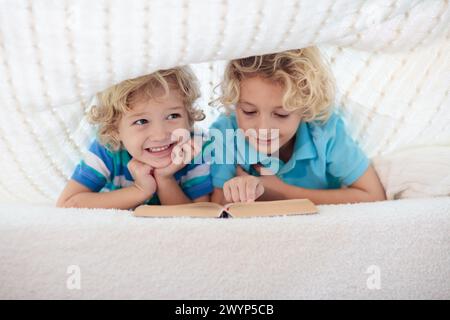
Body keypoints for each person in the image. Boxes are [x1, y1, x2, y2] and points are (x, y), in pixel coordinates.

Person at [208, 47, 386, 205]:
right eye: (249, 111)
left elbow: (374, 195)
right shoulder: (226, 133)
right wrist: (235, 192)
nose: (263, 128)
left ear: (305, 107)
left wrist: (282, 193)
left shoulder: (324, 130)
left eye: (281, 114)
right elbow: (216, 205)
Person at [57, 67, 213, 209]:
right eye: (141, 121)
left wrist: (165, 179)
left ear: (189, 117)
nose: (160, 135)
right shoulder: (107, 149)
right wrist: (140, 190)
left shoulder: (196, 147)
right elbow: (67, 203)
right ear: (114, 129)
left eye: (173, 116)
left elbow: (201, 215)